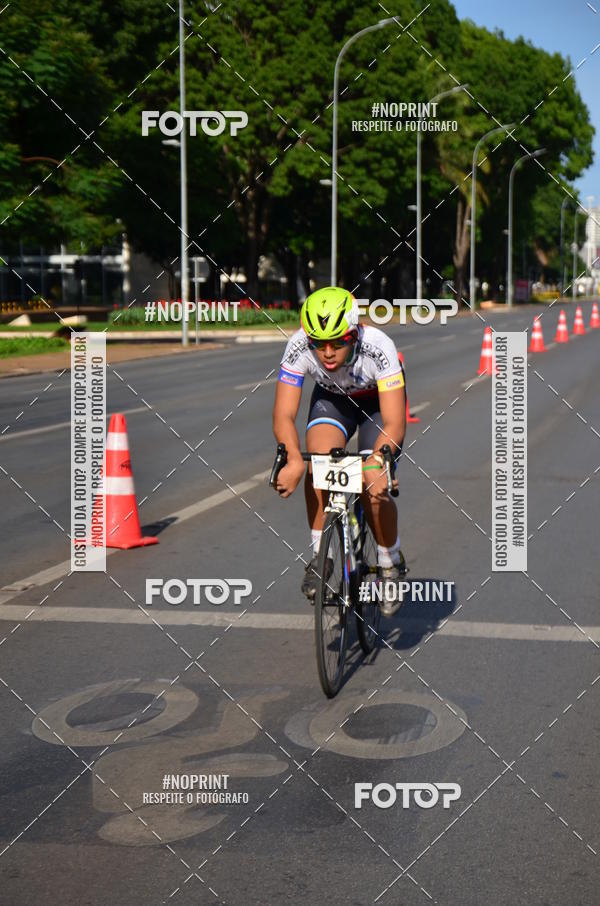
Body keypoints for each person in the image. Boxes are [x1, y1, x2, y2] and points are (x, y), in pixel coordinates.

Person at [272, 285, 407, 616]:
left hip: (377, 404)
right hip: (333, 401)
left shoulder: (379, 348)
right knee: (318, 464)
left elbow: (394, 423)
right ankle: (322, 557)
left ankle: (390, 563)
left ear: (354, 333)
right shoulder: (298, 346)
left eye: (338, 342)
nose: (327, 352)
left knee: (374, 487)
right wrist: (291, 457)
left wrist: (377, 462)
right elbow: (283, 414)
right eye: (319, 343)